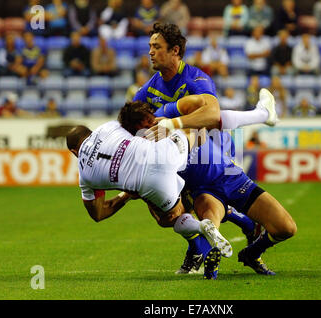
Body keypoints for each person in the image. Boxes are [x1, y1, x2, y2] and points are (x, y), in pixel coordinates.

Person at [119, 98, 297, 276]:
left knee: (286, 228)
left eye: (153, 120)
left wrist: (174, 125)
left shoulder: (169, 117)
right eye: (147, 125)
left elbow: (208, 114)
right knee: (200, 222)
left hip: (231, 177)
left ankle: (252, 253)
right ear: (138, 133)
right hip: (204, 192)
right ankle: (210, 252)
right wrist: (126, 196)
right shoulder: (144, 157)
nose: (154, 125)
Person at [66, 118, 231, 280]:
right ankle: (224, 173)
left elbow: (99, 213)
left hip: (152, 183)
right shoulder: (108, 127)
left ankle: (201, 227)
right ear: (91, 132)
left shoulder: (85, 176)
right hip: (165, 151)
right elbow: (144, 127)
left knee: (169, 217)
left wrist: (125, 195)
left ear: (74, 152)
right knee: (194, 132)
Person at [133, 22, 279, 136]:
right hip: (175, 153)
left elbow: (213, 115)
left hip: (209, 149)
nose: (150, 52)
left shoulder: (197, 78)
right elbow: (129, 123)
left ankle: (263, 113)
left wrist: (171, 124)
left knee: (209, 118)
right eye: (150, 46)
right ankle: (262, 114)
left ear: (175, 50)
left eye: (157, 47)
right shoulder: (147, 89)